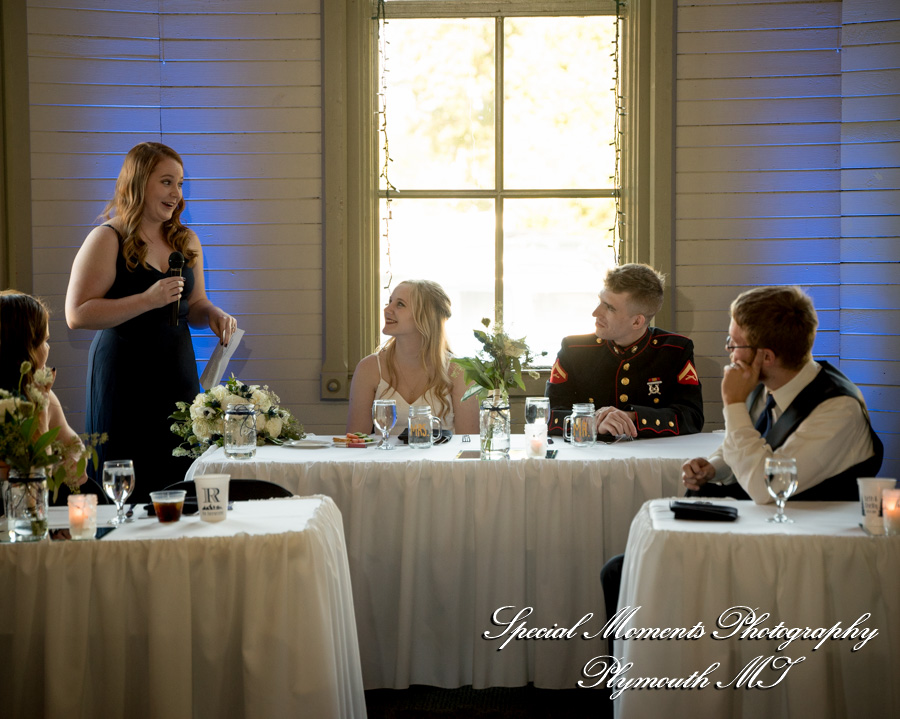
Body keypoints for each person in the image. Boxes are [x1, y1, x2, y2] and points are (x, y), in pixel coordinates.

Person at [65, 142, 236, 503]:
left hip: (176, 370)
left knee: (178, 473)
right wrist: (147, 300)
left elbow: (197, 303)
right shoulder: (107, 238)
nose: (176, 193)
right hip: (124, 374)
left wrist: (214, 315)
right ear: (140, 183)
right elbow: (77, 313)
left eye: (180, 183)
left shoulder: (186, 240)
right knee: (128, 478)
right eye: (167, 182)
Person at [682, 285, 882, 503]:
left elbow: (767, 487)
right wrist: (715, 467)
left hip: (811, 529)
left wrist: (733, 403)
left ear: (766, 357)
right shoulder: (761, 383)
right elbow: (751, 442)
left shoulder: (838, 410)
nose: (729, 350)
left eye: (735, 343)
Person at [545, 263, 704, 438]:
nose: (595, 312)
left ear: (637, 322)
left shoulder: (675, 350)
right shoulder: (574, 349)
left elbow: (692, 417)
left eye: (610, 307)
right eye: (600, 301)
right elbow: (547, 417)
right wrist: (592, 423)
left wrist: (633, 418)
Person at [346, 279, 479, 436]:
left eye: (400, 304)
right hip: (383, 460)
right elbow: (355, 441)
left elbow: (468, 446)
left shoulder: (459, 371)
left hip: (440, 461)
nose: (387, 310)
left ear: (426, 316)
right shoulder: (369, 368)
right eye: (389, 302)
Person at [0, 291, 87, 488]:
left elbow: (73, 443)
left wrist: (74, 460)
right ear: (25, 348)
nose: (48, 349)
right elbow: (30, 478)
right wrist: (40, 408)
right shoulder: (6, 407)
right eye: (44, 341)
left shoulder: (43, 393)